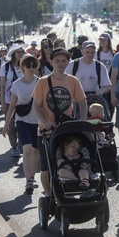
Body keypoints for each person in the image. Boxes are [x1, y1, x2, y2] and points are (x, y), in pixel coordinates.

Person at [32, 47, 88, 198]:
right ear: (51, 62)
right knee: (46, 169)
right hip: (47, 131)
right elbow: (36, 106)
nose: (61, 63)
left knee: (68, 162)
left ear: (68, 63)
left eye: (64, 61)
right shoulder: (43, 82)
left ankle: (71, 186)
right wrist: (44, 122)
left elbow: (82, 102)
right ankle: (50, 197)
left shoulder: (73, 81)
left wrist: (82, 121)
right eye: (57, 60)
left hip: (65, 131)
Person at [2, 54, 40, 194]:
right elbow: (12, 106)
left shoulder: (40, 82)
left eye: (33, 65)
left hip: (37, 122)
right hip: (22, 120)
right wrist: (6, 125)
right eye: (28, 65)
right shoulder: (17, 84)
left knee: (35, 151)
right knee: (27, 149)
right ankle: (28, 181)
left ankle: (32, 177)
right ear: (22, 67)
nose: (31, 68)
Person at [0, 43, 26, 157]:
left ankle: (21, 145)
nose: (20, 54)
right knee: (11, 125)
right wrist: (2, 102)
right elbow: (2, 86)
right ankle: (14, 147)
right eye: (18, 52)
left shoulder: (25, 66)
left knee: (22, 123)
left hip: (23, 101)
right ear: (13, 54)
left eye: (22, 52)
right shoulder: (5, 67)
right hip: (8, 99)